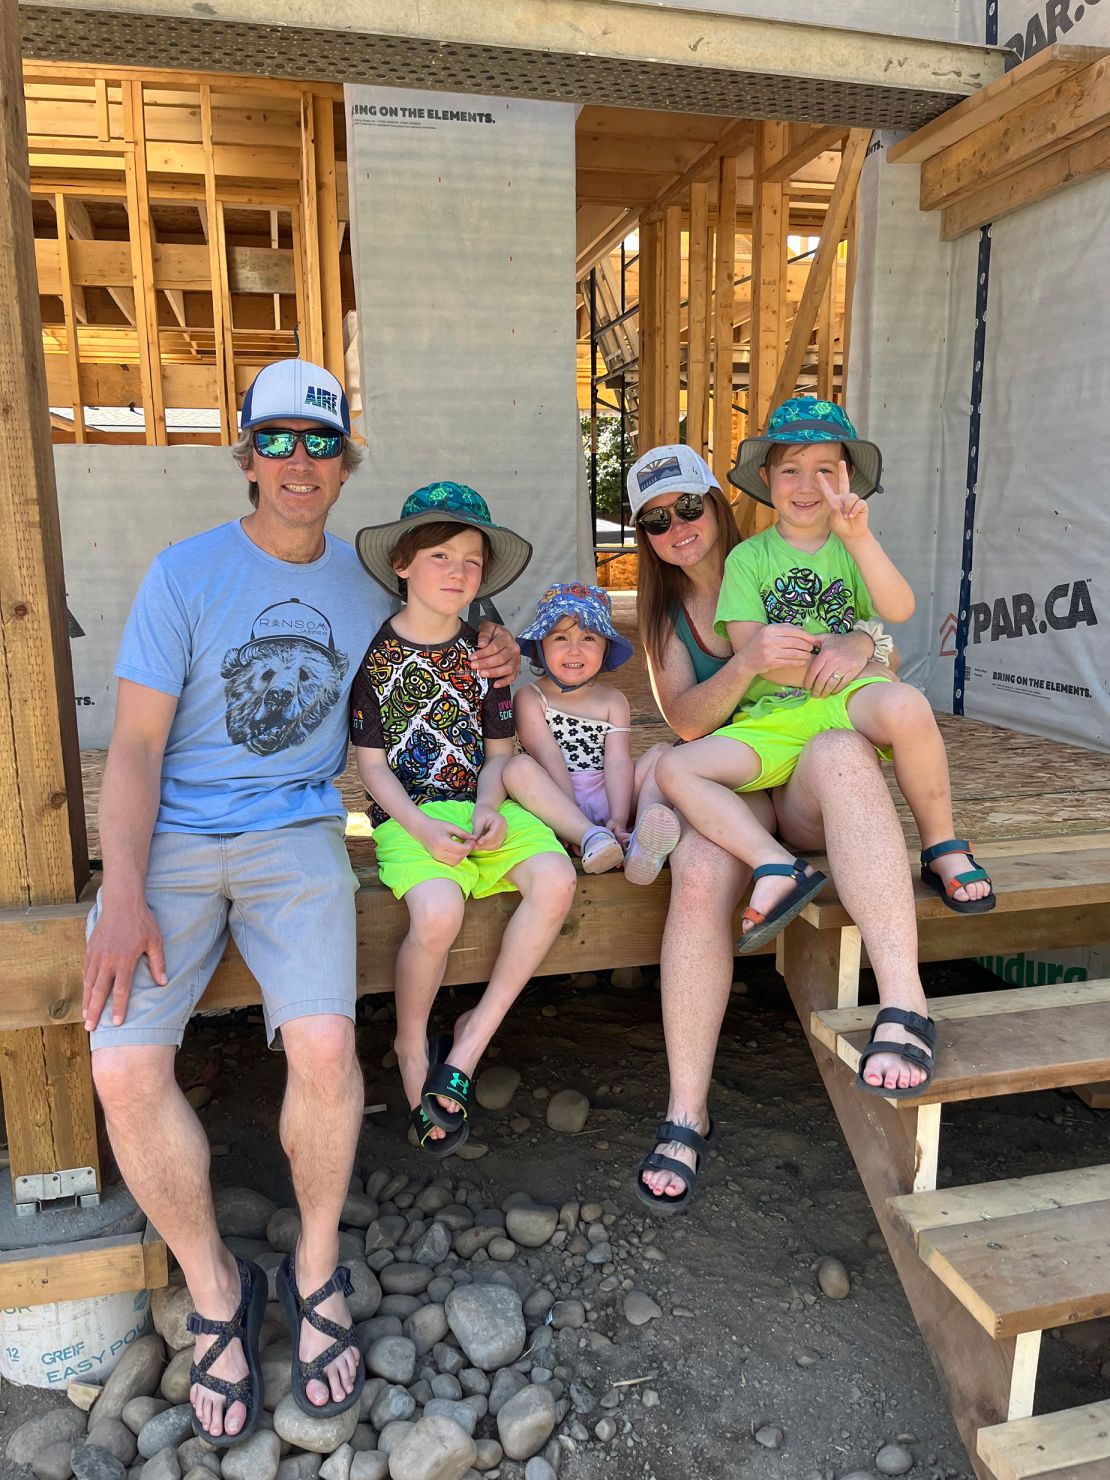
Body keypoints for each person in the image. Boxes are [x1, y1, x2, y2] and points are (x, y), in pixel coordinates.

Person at [81, 362, 519, 1444]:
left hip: (296, 834)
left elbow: (451, 624)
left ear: (342, 462)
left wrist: (500, 645)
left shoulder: (368, 591)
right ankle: (218, 1285)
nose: (298, 462)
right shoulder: (184, 573)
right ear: (246, 456)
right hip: (175, 837)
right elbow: (135, 745)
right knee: (122, 1065)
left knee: (326, 1050)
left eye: (319, 443)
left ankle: (316, 1263)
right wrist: (122, 885)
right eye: (275, 441)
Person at [624, 439, 940, 1215]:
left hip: (806, 774)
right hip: (739, 778)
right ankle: (684, 1109)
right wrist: (744, 664)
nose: (678, 527)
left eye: (688, 506)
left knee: (841, 752)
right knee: (697, 872)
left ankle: (907, 1002)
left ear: (718, 502)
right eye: (657, 520)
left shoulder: (790, 552)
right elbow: (688, 720)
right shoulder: (665, 614)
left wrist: (866, 642)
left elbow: (883, 635)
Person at [657, 399, 995, 955]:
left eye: (825, 469)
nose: (806, 483)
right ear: (766, 479)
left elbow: (900, 606)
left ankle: (941, 846)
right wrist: (862, 655)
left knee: (909, 705)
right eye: (790, 468)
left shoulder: (852, 547)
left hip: (844, 699)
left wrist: (860, 540)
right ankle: (776, 864)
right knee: (676, 766)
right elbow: (754, 651)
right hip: (776, 715)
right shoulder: (748, 560)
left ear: (847, 477)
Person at [350, 482, 577, 1157]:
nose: (457, 573)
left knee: (557, 880)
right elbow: (370, 766)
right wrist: (419, 828)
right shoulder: (376, 657)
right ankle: (412, 1040)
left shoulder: (486, 656)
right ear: (403, 565)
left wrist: (488, 807)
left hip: (483, 801)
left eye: (471, 562)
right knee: (439, 913)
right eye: (440, 556)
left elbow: (500, 750)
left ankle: (474, 1035)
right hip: (408, 816)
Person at [500, 581, 682, 885]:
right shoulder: (530, 697)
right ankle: (589, 836)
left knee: (664, 754)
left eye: (588, 638)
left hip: (610, 794)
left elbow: (618, 762)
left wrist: (618, 817)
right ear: (541, 646)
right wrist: (573, 821)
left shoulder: (613, 700)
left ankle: (636, 841)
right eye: (560, 637)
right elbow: (548, 757)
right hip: (555, 800)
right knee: (517, 768)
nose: (575, 650)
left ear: (605, 647)